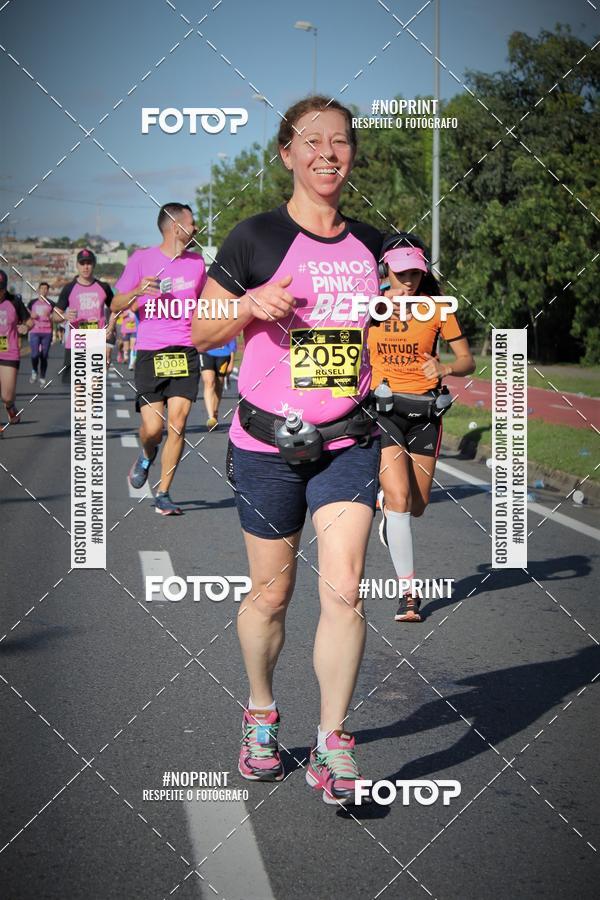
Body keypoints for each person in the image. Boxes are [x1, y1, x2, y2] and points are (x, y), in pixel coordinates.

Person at [192, 96, 382, 805]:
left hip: (347, 441)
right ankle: (262, 714)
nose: (327, 153)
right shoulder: (254, 237)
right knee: (272, 595)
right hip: (268, 442)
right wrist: (247, 306)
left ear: (351, 154)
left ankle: (333, 744)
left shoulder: (374, 243)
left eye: (340, 142)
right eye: (312, 142)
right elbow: (203, 334)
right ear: (287, 154)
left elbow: (402, 324)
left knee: (346, 587)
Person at [368, 233, 475, 622]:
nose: (409, 278)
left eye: (416, 270)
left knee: (417, 506)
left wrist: (445, 367)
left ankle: (388, 508)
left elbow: (467, 360)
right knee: (399, 498)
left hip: (425, 413)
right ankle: (408, 594)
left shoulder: (437, 309)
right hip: (383, 410)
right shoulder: (370, 304)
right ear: (386, 268)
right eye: (401, 271)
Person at [111, 202, 206, 516]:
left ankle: (163, 492)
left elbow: (207, 302)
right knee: (153, 429)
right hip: (151, 353)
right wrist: (137, 291)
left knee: (177, 425)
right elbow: (115, 304)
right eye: (192, 224)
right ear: (176, 227)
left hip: (185, 351)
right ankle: (145, 456)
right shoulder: (141, 259)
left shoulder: (196, 264)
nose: (195, 229)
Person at [53, 249, 113, 384]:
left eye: (89, 263)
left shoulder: (103, 287)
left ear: (94, 264)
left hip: (97, 343)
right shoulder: (69, 288)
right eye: (82, 263)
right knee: (79, 390)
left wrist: (110, 339)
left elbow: (115, 310)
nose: (86, 267)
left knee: (95, 388)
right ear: (77, 266)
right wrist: (64, 315)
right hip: (76, 344)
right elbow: (55, 316)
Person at [0, 269, 33, 428]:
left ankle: (10, 406)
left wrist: (26, 327)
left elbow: (29, 321)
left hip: (9, 352)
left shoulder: (14, 301)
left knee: (7, 395)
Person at [199, 337, 236, 429]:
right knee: (209, 382)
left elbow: (232, 334)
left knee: (219, 383)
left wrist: (231, 360)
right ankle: (211, 417)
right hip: (204, 352)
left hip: (223, 353)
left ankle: (215, 412)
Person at [28, 282, 54, 385]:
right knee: (34, 355)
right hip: (34, 331)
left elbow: (55, 317)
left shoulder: (51, 303)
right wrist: (31, 315)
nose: (43, 290)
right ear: (38, 290)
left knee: (44, 355)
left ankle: (42, 376)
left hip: (47, 332)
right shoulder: (32, 302)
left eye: (46, 289)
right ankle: (34, 370)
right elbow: (25, 314)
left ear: (48, 291)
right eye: (42, 288)